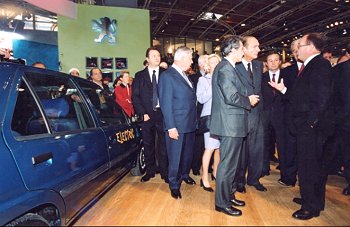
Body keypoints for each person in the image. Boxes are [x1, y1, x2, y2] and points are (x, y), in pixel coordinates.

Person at [269, 33, 334, 220]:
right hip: (309, 126)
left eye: (301, 45)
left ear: (311, 47)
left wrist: (311, 123)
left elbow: (322, 99)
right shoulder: (310, 66)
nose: (297, 49)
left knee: (308, 167)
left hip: (311, 128)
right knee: (312, 166)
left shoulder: (319, 65)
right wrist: (283, 90)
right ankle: (313, 200)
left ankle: (309, 207)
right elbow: (302, 97)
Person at [210, 35, 259, 216]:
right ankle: (221, 203)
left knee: (232, 164)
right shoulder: (225, 69)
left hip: (234, 123)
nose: (243, 51)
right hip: (229, 124)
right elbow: (231, 97)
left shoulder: (230, 68)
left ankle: (228, 196)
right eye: (240, 49)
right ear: (232, 50)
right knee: (227, 165)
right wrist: (249, 100)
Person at [158, 46, 197, 199]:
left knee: (187, 155)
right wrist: (171, 127)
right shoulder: (168, 76)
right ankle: (174, 184)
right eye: (190, 58)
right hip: (176, 126)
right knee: (175, 157)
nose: (192, 61)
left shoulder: (184, 74)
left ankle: (184, 175)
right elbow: (166, 104)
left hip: (189, 124)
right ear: (181, 58)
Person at [132, 47, 168, 183]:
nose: (157, 58)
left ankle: (165, 171)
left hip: (163, 114)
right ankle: (150, 171)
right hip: (147, 115)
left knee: (164, 145)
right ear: (147, 59)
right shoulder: (140, 75)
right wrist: (142, 113)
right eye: (154, 56)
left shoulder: (166, 74)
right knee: (148, 144)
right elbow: (135, 97)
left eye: (158, 55)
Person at [235, 36, 266, 192]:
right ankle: (240, 181)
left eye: (258, 46)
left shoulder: (259, 65)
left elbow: (260, 90)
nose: (258, 50)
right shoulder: (234, 66)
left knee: (257, 149)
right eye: (255, 47)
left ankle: (254, 179)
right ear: (244, 49)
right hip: (241, 114)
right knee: (241, 151)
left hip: (257, 115)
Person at [261, 52, 288, 181]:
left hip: (282, 117)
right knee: (265, 144)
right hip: (265, 117)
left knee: (283, 145)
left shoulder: (287, 76)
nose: (272, 63)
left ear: (279, 62)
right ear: (266, 63)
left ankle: (284, 172)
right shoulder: (261, 77)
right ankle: (264, 169)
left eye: (275, 60)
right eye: (270, 60)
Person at [196, 54, 221, 192]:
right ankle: (204, 177)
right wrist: (213, 85)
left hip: (222, 116)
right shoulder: (203, 79)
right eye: (211, 63)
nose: (214, 65)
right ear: (207, 66)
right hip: (210, 117)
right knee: (210, 148)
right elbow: (201, 99)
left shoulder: (224, 78)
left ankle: (215, 172)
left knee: (219, 149)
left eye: (217, 62)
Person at [190, 54, 209, 176]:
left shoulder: (214, 77)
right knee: (197, 144)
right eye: (207, 62)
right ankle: (195, 166)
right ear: (202, 65)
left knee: (210, 143)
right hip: (197, 115)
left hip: (210, 114)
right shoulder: (193, 78)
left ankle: (209, 167)